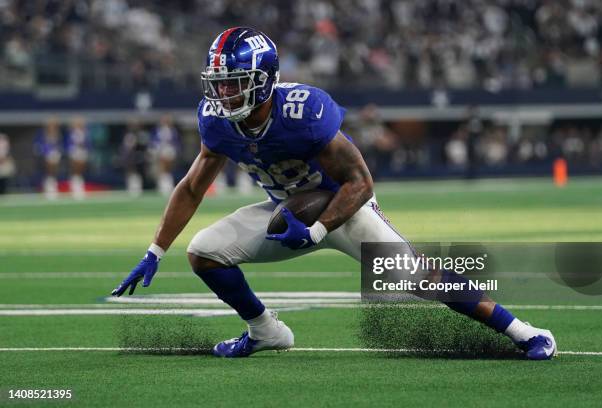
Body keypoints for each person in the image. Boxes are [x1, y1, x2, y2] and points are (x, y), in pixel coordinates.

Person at [111, 27, 556, 360]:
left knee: (417, 278)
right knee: (204, 252)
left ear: (264, 80)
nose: (223, 93)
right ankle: (265, 331)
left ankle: (524, 331)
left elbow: (361, 181)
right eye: (219, 82)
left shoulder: (303, 111)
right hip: (285, 211)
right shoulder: (215, 120)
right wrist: (155, 250)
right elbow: (192, 186)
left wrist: (320, 229)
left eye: (234, 82)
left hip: (342, 208)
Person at [34, 117, 63, 200]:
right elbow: (38, 145)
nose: (52, 126)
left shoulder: (59, 134)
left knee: (54, 158)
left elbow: (61, 146)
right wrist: (44, 151)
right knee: (50, 158)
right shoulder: (41, 134)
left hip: (55, 154)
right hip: (44, 154)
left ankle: (52, 181)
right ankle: (49, 181)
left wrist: (57, 151)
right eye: (50, 124)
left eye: (54, 125)